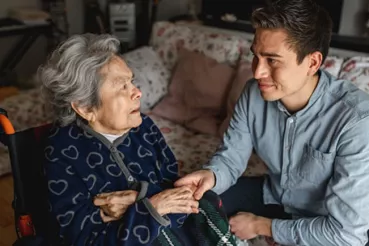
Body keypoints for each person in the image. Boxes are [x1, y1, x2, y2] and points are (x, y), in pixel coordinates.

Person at [174, 0, 369, 245]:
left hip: (324, 218)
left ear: (312, 63)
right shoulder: (252, 93)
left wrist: (263, 226)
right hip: (274, 196)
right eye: (256, 56)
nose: (257, 73)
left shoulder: (357, 121)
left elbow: (347, 234)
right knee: (194, 209)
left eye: (272, 60)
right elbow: (231, 157)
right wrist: (212, 175)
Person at [40, 34, 234, 245]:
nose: (138, 93)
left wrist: (139, 199)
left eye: (131, 82)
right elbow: (82, 237)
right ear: (86, 108)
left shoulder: (145, 128)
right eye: (122, 87)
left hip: (168, 230)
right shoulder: (62, 151)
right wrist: (152, 208)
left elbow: (176, 194)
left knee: (206, 201)